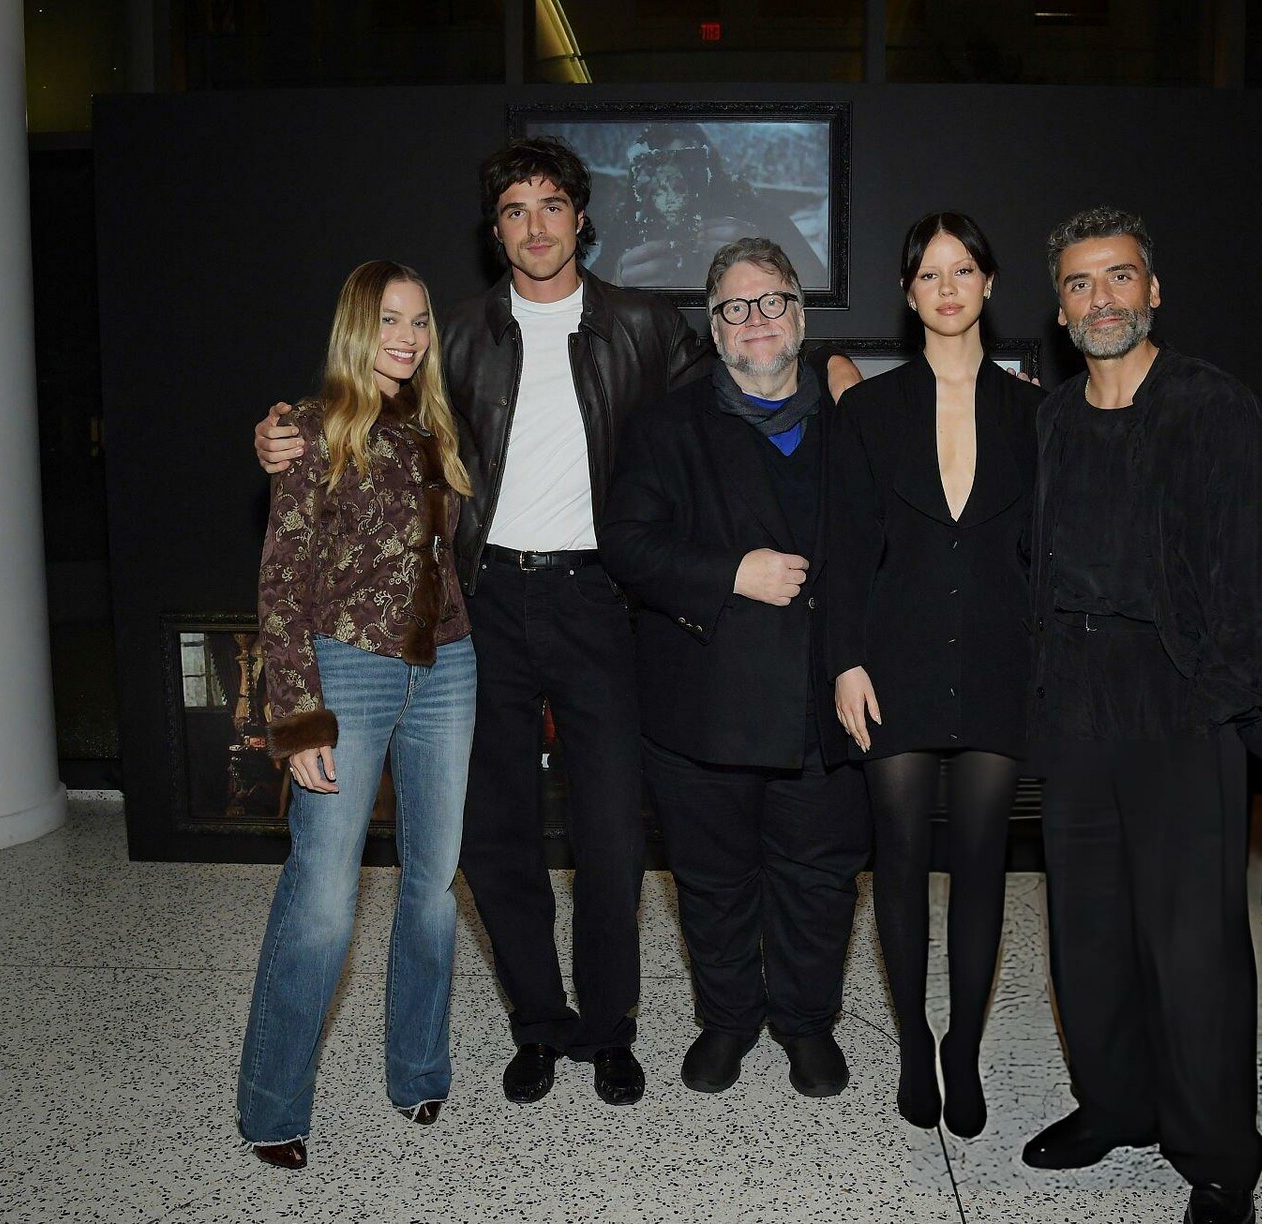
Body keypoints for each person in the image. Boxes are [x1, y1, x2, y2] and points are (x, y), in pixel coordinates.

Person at [255, 137, 707, 1108]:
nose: (535, 226)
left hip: (602, 602)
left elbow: (725, 410)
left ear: (581, 218)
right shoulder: (455, 334)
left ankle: (610, 1028)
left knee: (611, 836)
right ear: (495, 229)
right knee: (497, 837)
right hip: (483, 605)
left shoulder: (644, 326)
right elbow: (369, 408)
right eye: (514, 210)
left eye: (552, 206)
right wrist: (284, 428)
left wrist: (835, 377)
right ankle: (539, 1023)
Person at [1018, 208, 1262, 1224]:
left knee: (1192, 945)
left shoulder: (1213, 408)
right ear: (1060, 310)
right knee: (1086, 930)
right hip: (1077, 700)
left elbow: (1255, 573)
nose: (1103, 300)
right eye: (1081, 284)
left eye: (1120, 277)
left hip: (1181, 699)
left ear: (1154, 290)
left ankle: (1219, 1157)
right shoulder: (1051, 418)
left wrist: (1222, 702)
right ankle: (1116, 1106)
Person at [600, 238, 870, 1098]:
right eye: (735, 308)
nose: (757, 320)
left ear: (801, 317)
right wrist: (730, 574)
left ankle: (806, 1024)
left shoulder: (858, 421)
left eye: (773, 301)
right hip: (704, 704)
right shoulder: (664, 426)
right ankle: (727, 1020)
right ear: (714, 331)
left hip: (826, 700)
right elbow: (626, 545)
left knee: (818, 880)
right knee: (713, 882)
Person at [239, 260, 477, 1170]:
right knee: (324, 898)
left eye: (418, 321)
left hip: (448, 668)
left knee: (433, 887)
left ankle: (418, 1071)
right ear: (354, 327)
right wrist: (298, 718)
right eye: (388, 320)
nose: (407, 337)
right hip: (347, 671)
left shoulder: (436, 427)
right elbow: (281, 582)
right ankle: (272, 1106)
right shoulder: (305, 429)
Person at [821, 212, 1042, 1137]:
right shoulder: (869, 411)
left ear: (989, 282)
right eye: (929, 274)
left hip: (998, 658)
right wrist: (844, 660)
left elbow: (1046, 553)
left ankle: (964, 1047)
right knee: (901, 860)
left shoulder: (1036, 412)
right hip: (894, 661)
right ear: (908, 294)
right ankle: (914, 1039)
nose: (947, 288)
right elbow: (844, 550)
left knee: (984, 863)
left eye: (963, 270)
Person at [593, 123, 830, 291]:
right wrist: (617, 281)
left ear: (710, 168)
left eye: (687, 164)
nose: (672, 180)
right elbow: (586, 298)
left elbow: (816, 290)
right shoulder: (627, 225)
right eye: (655, 167)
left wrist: (759, 256)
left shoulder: (760, 216)